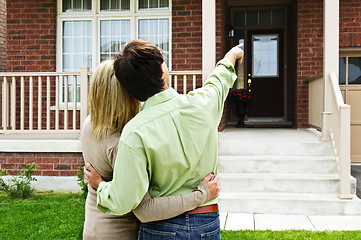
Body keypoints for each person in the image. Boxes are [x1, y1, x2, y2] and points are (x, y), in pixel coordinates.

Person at [84, 40, 244, 239]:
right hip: (206, 221)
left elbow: (124, 200)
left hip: (160, 228)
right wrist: (231, 55)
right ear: (162, 70)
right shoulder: (203, 103)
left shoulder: (134, 133)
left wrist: (101, 186)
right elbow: (219, 80)